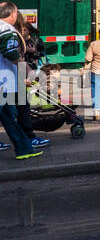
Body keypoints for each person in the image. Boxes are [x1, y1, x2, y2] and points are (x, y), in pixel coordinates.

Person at [0, 2, 41, 160]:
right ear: (12, 14)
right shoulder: (6, 29)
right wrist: (27, 69)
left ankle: (24, 149)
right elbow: (10, 52)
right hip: (4, 82)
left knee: (9, 118)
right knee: (9, 117)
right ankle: (24, 148)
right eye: (16, 13)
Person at [15, 18, 49, 147]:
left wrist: (34, 52)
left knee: (15, 112)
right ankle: (27, 139)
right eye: (23, 30)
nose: (24, 32)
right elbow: (14, 60)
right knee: (16, 111)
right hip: (13, 80)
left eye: (26, 30)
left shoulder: (28, 41)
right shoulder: (13, 40)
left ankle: (26, 139)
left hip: (21, 76)